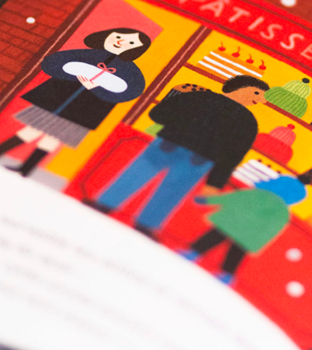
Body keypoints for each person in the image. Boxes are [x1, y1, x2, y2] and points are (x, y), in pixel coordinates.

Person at [92, 74, 269, 235]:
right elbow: (158, 114)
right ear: (241, 87)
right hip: (178, 151)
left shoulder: (206, 101)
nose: (261, 99)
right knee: (146, 179)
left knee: (157, 184)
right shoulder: (242, 119)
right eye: (257, 93)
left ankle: (133, 218)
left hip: (188, 156)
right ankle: (131, 217)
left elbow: (233, 155)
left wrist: (214, 183)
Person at [0, 28, 151, 177]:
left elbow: (131, 92)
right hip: (57, 99)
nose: (121, 42)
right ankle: (1, 157)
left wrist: (96, 88)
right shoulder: (86, 54)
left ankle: (17, 165)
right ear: (107, 35)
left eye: (131, 43)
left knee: (53, 137)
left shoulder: (130, 70)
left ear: (136, 50)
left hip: (84, 110)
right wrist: (74, 75)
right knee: (33, 129)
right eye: (119, 36)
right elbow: (52, 63)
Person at [187, 175, 307, 284]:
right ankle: (227, 274)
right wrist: (259, 242)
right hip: (248, 235)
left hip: (231, 223)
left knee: (213, 237)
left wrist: (207, 200)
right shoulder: (283, 212)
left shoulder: (256, 194)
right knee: (236, 252)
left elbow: (231, 198)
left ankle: (194, 252)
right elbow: (273, 229)